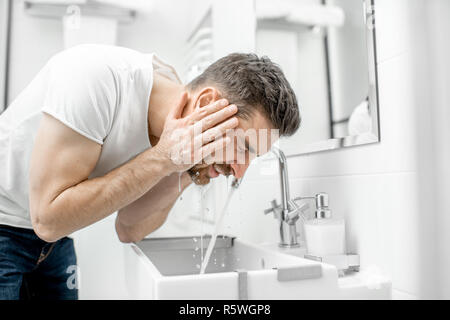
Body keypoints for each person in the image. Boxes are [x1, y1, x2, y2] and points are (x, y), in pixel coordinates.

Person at [0, 44, 300, 299]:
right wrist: (164, 158)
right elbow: (49, 218)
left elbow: (129, 229)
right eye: (245, 148)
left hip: (55, 242)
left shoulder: (176, 131)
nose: (240, 171)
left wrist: (188, 169)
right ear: (207, 103)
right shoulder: (96, 80)